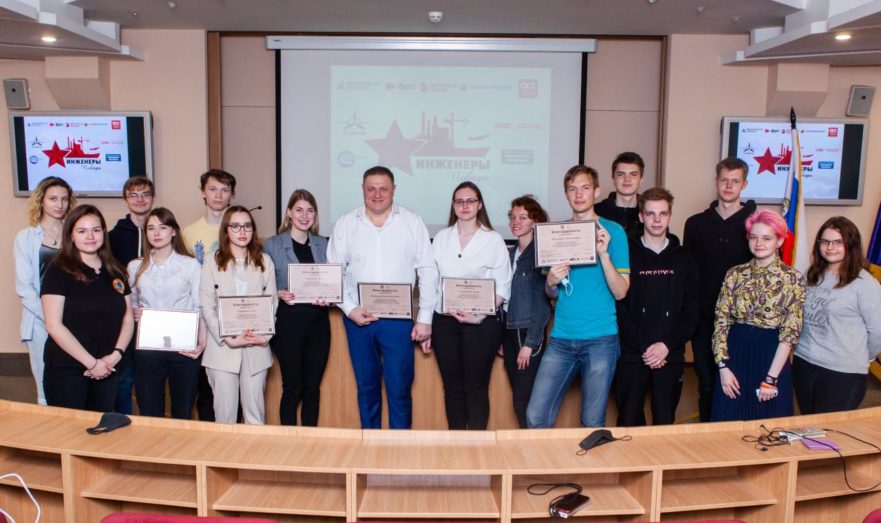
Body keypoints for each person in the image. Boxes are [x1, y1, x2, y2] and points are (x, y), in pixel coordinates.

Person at [327, 165, 438, 429]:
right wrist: (350, 308)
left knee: (399, 390)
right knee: (367, 389)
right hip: (358, 319)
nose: (377, 194)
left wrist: (425, 318)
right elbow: (333, 272)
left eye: (383, 189)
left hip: (398, 321)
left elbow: (427, 270)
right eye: (371, 189)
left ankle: (399, 449)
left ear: (394, 190)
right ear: (363, 190)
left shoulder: (412, 222)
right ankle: (371, 448)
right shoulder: (346, 223)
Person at [527, 165, 630, 428]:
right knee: (535, 416)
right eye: (572, 189)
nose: (579, 194)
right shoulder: (556, 234)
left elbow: (621, 292)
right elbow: (551, 293)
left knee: (592, 422)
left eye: (585, 188)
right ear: (566, 194)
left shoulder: (614, 232)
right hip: (561, 338)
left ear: (597, 191)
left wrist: (604, 255)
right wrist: (550, 281)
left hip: (601, 339)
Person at [429, 182, 511, 430]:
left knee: (476, 388)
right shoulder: (441, 238)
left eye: (470, 201)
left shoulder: (493, 240)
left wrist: (478, 315)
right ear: (453, 206)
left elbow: (503, 286)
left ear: (480, 204)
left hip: (481, 325)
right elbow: (432, 283)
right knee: (452, 388)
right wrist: (428, 322)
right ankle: (456, 445)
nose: (464, 206)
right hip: (445, 322)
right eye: (459, 201)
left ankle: (477, 447)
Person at [614, 188, 698, 426]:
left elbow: (691, 312)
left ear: (670, 216)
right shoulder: (626, 254)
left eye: (662, 214)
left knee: (664, 419)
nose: (657, 220)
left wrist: (666, 345)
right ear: (641, 216)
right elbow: (619, 307)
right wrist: (644, 347)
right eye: (650, 214)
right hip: (632, 353)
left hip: (670, 352)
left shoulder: (685, 258)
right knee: (628, 420)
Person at [712, 210, 805, 422]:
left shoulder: (792, 278)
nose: (759, 243)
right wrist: (723, 367)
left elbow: (790, 332)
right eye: (753, 237)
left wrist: (771, 379)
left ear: (780, 240)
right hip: (734, 356)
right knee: (727, 422)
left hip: (771, 357)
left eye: (767, 238)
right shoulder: (734, 274)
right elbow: (721, 321)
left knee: (769, 427)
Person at [40, 204, 134, 412]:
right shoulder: (58, 270)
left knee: (101, 428)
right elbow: (53, 325)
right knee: (69, 430)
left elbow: (127, 316)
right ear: (71, 236)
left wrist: (116, 355)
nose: (90, 236)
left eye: (96, 230)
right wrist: (92, 364)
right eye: (82, 231)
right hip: (67, 370)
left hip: (108, 368)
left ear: (104, 233)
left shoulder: (115, 270)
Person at [683, 157, 756, 421]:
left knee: (739, 383)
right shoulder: (695, 224)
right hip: (705, 320)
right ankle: (707, 437)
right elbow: (688, 274)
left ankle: (735, 438)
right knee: (707, 384)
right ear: (716, 182)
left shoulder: (755, 225)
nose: (728, 186)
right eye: (724, 180)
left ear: (744, 184)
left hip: (743, 322)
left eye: (735, 181)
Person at [793, 217, 881, 414]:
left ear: (851, 244)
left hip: (842, 371)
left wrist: (863, 356)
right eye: (825, 241)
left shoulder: (865, 284)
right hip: (804, 362)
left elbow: (878, 331)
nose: (830, 247)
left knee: (829, 429)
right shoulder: (811, 274)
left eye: (838, 242)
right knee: (808, 425)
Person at [200, 206, 277, 424]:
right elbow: (207, 306)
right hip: (223, 349)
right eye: (235, 226)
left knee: (255, 417)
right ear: (226, 230)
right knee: (225, 418)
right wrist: (227, 338)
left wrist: (264, 337)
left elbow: (272, 304)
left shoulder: (265, 261)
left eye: (247, 226)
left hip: (256, 347)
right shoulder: (211, 261)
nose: (242, 231)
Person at [128, 207, 206, 419]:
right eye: (151, 228)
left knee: (183, 412)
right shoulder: (135, 266)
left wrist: (202, 342)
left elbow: (199, 306)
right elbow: (131, 303)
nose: (156, 233)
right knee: (149, 411)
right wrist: (134, 312)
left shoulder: (190, 265)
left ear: (173, 231)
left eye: (162, 227)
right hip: (148, 347)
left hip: (183, 347)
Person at [263, 189, 331, 426]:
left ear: (315, 215)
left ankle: (311, 442)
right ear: (289, 213)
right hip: (287, 324)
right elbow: (261, 285)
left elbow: (332, 281)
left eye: (310, 210)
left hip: (318, 324)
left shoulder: (324, 244)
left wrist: (330, 296)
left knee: (312, 389)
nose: (304, 215)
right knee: (292, 388)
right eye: (299, 210)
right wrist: (277, 293)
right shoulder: (272, 245)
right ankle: (289, 442)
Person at [14, 176, 76, 405]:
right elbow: (24, 287)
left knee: (75, 383)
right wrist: (51, 317)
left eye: (64, 199)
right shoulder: (26, 237)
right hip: (40, 321)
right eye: (53, 199)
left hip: (74, 318)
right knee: (45, 388)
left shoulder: (75, 234)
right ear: (41, 201)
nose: (59, 204)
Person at [183, 168, 236, 421]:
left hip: (232, 316)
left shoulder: (239, 228)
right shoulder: (188, 232)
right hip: (202, 316)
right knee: (204, 388)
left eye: (225, 190)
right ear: (202, 192)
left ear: (231, 195)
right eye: (213, 189)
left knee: (233, 385)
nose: (218, 195)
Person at [502, 195, 551, 428]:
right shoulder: (510, 253)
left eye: (523, 217)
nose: (516, 222)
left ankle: (532, 446)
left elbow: (543, 304)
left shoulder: (540, 255)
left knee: (525, 400)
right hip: (510, 331)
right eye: (513, 217)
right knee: (518, 396)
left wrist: (530, 344)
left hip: (528, 333)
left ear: (536, 221)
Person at [108, 175, 155, 415]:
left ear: (153, 198)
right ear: (125, 200)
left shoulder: (161, 231)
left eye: (145, 194)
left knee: (151, 379)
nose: (140, 200)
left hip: (156, 318)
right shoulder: (112, 237)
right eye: (133, 195)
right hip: (124, 317)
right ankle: (123, 422)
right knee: (124, 379)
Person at [594, 151, 645, 235]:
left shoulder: (650, 213)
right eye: (621, 174)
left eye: (633, 174)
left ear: (641, 180)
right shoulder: (595, 211)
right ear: (613, 179)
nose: (627, 179)